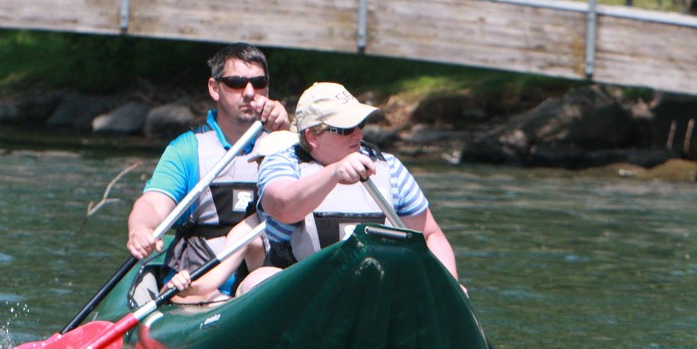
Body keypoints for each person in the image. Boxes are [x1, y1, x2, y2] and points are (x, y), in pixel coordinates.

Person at [126, 42, 291, 298]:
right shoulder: (188, 149)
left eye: (259, 83)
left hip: (263, 285)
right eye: (236, 83)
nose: (249, 92)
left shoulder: (284, 145)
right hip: (196, 286)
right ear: (215, 88)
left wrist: (287, 133)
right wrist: (141, 229)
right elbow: (154, 204)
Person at [256, 82, 460, 279]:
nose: (359, 133)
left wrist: (451, 287)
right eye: (346, 128)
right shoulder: (282, 163)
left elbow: (431, 235)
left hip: (376, 289)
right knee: (256, 280)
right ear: (312, 136)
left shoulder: (390, 167)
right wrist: (334, 173)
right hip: (305, 291)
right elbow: (282, 207)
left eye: (360, 124)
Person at [162, 131, 296, 303]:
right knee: (259, 277)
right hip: (270, 298)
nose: (266, 177)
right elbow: (213, 278)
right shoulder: (249, 227)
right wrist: (188, 287)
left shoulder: (326, 207)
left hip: (316, 291)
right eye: (261, 168)